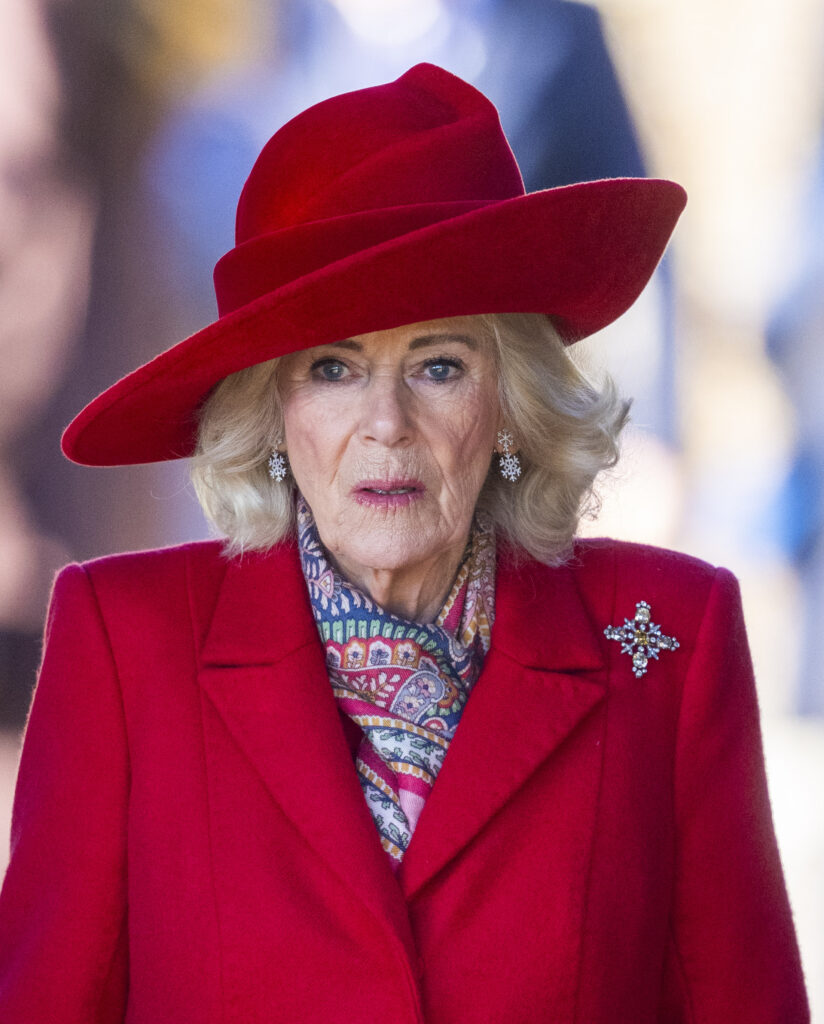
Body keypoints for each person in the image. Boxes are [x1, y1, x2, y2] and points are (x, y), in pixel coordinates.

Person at [0, 63, 809, 1024]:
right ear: (272, 413)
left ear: (511, 404)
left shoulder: (669, 640)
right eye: (333, 368)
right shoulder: (124, 643)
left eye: (438, 364)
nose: (385, 424)